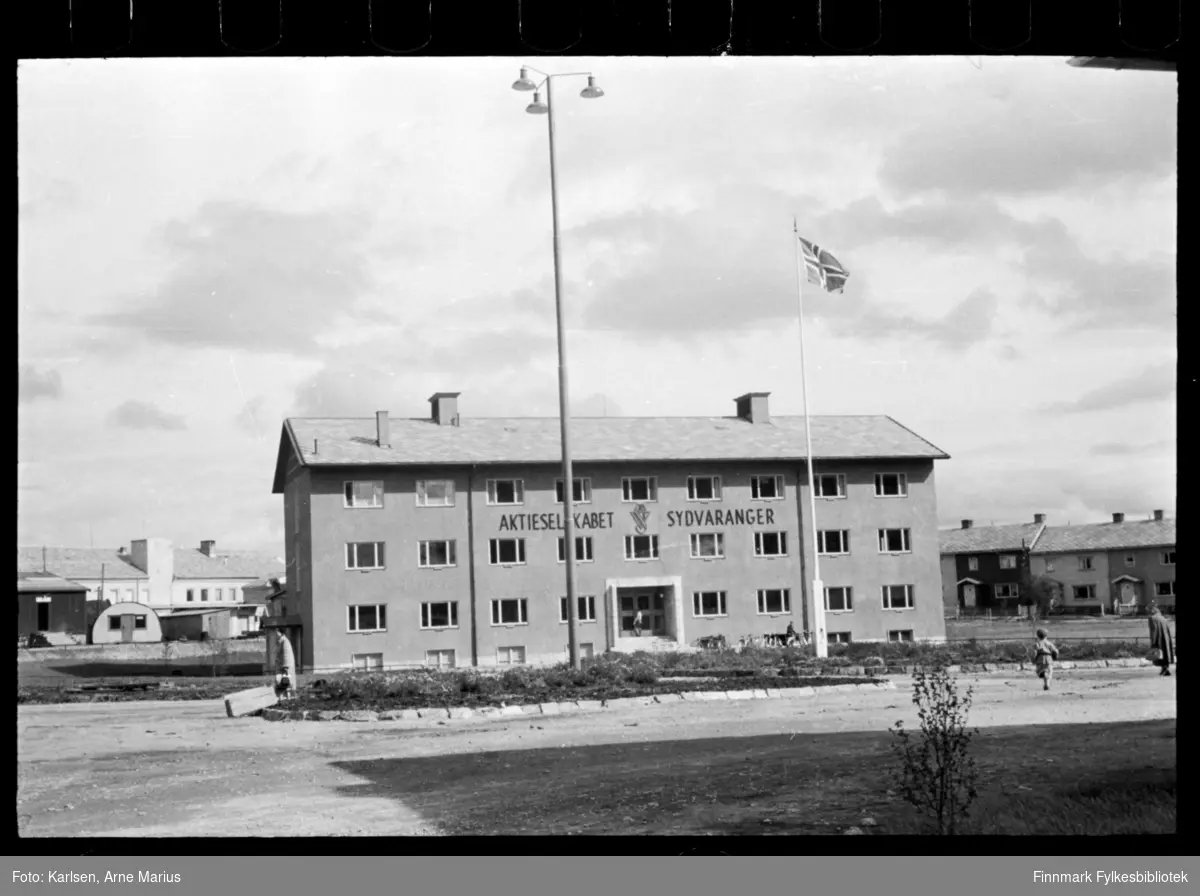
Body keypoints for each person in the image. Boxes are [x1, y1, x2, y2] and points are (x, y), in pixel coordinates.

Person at [1147, 605, 1175, 677]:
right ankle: (1165, 668)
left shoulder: (1152, 618)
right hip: (1166, 639)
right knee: (1165, 653)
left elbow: (1154, 630)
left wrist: (1153, 642)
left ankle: (1164, 669)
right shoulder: (1163, 618)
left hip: (1158, 638)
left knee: (1158, 654)